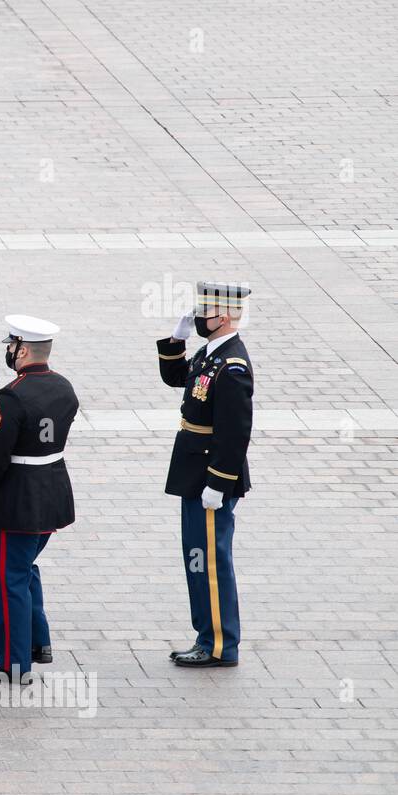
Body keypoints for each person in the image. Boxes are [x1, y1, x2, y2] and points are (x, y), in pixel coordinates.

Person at [0, 315, 78, 681]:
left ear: (23, 349)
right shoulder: (64, 387)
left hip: (20, 499)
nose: (9, 352)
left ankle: (12, 664)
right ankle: (36, 641)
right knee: (25, 569)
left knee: (8, 578)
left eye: (11, 346)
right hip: (53, 490)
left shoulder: (12, 396)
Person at [157, 282, 254, 668]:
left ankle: (218, 644)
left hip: (209, 475)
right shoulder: (212, 353)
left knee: (209, 561)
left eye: (203, 312)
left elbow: (235, 433)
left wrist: (218, 482)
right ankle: (207, 635)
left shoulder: (232, 366)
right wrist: (175, 340)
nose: (198, 318)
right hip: (194, 470)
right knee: (197, 557)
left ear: (224, 315)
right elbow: (177, 378)